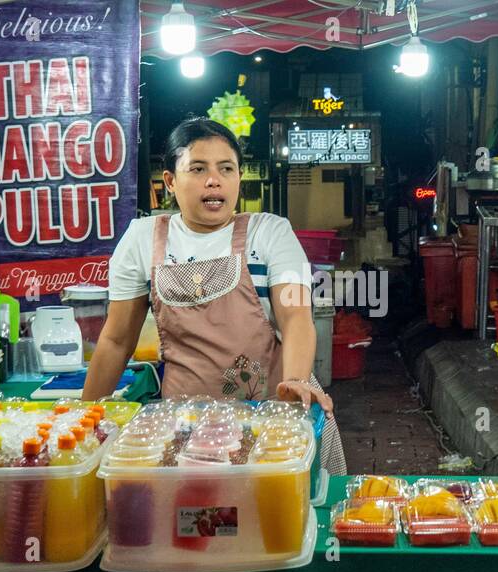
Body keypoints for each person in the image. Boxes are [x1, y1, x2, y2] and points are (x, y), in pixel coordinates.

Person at [83, 117, 347, 475]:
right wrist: (84, 417)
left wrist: (297, 381)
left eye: (226, 168)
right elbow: (116, 340)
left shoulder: (269, 233)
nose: (214, 179)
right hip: (185, 427)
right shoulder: (142, 239)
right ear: (170, 182)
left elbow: (296, 317)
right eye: (198, 168)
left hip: (270, 421)